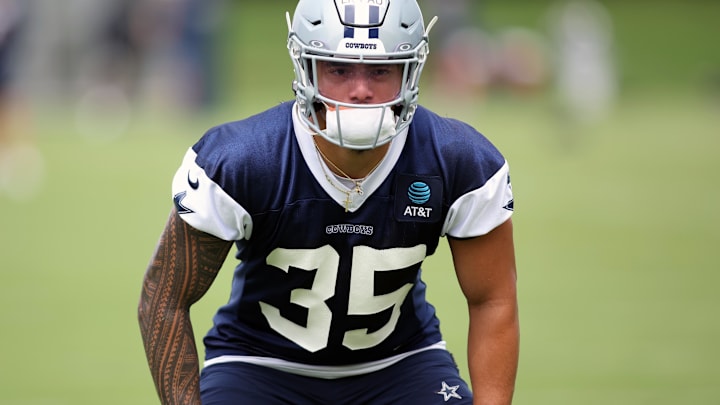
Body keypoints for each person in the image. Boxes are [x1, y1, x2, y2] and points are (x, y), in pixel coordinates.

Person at [138, 0, 519, 404]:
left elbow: (491, 299)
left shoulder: (458, 160)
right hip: (258, 367)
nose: (360, 90)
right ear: (306, 68)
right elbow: (164, 299)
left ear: (411, 70)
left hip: (400, 365)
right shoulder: (244, 160)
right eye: (338, 69)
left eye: (381, 70)